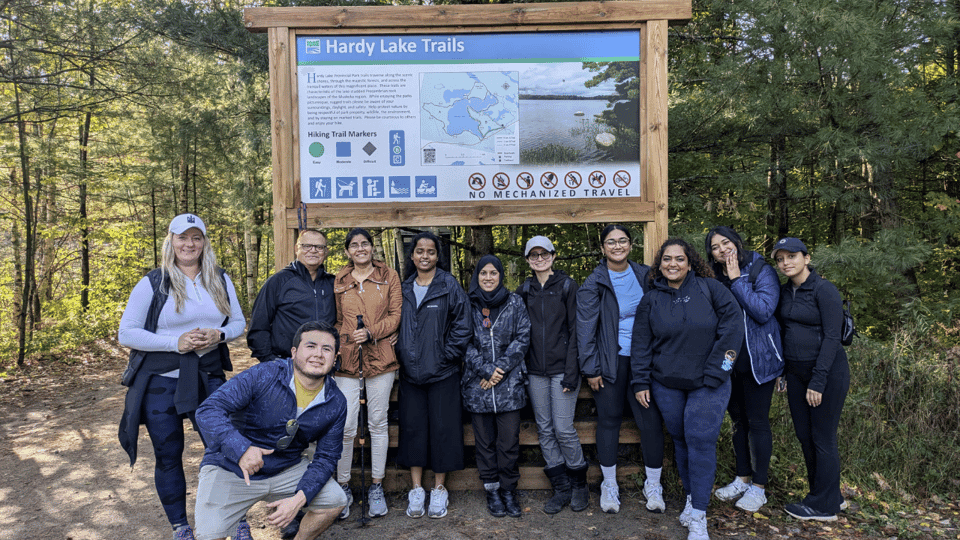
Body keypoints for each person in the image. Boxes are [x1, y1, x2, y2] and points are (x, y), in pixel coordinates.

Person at [118, 213, 246, 540]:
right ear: (171, 241)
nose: (189, 244)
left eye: (196, 237)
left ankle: (236, 523)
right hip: (161, 381)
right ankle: (181, 527)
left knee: (225, 447)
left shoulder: (219, 278)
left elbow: (238, 323)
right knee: (168, 454)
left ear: (204, 242)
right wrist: (175, 343)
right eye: (182, 237)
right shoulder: (153, 282)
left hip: (207, 375)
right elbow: (127, 332)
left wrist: (219, 334)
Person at [631, 238, 744, 540]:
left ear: (690, 263)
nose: (673, 264)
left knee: (700, 440)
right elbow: (641, 344)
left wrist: (719, 370)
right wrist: (640, 381)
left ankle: (699, 516)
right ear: (659, 265)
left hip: (709, 382)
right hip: (666, 384)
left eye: (679, 259)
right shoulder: (651, 300)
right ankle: (693, 498)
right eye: (667, 259)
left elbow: (733, 327)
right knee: (681, 439)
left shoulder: (711, 289)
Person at [193, 321, 348, 540]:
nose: (318, 354)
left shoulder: (336, 401)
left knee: (335, 500)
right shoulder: (264, 374)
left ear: (335, 358)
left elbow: (327, 457)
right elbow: (208, 410)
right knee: (209, 535)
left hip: (286, 468)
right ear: (294, 352)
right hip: (230, 466)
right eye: (311, 346)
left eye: (327, 349)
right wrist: (241, 449)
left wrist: (299, 499)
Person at [576, 224, 665, 514]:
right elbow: (585, 328)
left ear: (630, 244)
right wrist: (591, 368)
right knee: (609, 419)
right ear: (603, 248)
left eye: (622, 240)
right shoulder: (594, 282)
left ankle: (654, 485)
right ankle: (610, 484)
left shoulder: (645, 275)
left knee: (650, 421)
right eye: (611, 242)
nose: (617, 246)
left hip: (644, 360)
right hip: (610, 361)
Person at [705, 227, 784, 512]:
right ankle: (742, 477)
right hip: (729, 362)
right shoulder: (712, 276)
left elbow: (763, 311)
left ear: (737, 242)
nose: (722, 250)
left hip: (758, 360)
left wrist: (737, 279)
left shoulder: (761, 270)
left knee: (757, 421)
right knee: (738, 420)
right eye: (715, 247)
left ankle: (759, 487)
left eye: (726, 242)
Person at [772, 237, 850, 522]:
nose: (785, 263)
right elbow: (783, 333)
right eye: (780, 259)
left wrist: (818, 381)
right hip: (795, 373)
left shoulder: (824, 290)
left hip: (826, 373)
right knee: (805, 436)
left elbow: (832, 337)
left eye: (791, 256)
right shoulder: (784, 292)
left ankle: (823, 507)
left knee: (822, 437)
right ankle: (829, 495)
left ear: (806, 258)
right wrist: (782, 371)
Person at [395, 231, 472, 519]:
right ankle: (416, 489)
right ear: (412, 255)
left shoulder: (448, 285)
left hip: (443, 373)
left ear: (438, 256)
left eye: (430, 251)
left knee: (444, 430)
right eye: (420, 251)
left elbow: (463, 325)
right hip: (410, 374)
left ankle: (439, 489)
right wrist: (400, 352)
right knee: (413, 430)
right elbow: (392, 323)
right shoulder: (403, 287)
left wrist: (445, 355)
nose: (425, 256)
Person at [332, 228, 402, 519]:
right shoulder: (340, 280)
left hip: (380, 357)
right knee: (346, 425)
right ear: (347, 251)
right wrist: (342, 340)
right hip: (347, 362)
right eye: (354, 245)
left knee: (377, 423)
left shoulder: (389, 276)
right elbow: (337, 321)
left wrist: (372, 332)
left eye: (365, 244)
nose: (360, 248)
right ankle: (343, 486)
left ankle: (376, 486)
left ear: (372, 248)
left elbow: (395, 316)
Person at [517, 236, 589, 513]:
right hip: (535, 371)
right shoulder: (525, 290)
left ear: (553, 255)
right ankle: (561, 488)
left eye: (544, 253)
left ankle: (579, 484)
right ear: (527, 260)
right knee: (545, 430)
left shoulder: (568, 286)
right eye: (533, 255)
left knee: (563, 429)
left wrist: (572, 372)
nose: (539, 258)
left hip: (563, 370)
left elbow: (576, 331)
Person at [462, 254, 531, 519]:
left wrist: (497, 370)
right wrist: (485, 370)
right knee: (484, 443)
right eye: (483, 273)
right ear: (476, 276)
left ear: (501, 276)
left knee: (508, 443)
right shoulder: (468, 304)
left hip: (509, 386)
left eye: (493, 273)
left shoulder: (515, 302)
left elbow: (522, 337)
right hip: (477, 387)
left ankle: (508, 490)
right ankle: (492, 490)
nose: (488, 277)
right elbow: (463, 341)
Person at [248, 228, 335, 363]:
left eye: (319, 247)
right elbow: (258, 326)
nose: (313, 250)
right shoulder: (278, 281)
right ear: (296, 249)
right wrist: (271, 361)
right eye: (306, 246)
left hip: (322, 363)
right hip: (286, 362)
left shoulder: (333, 284)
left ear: (326, 251)